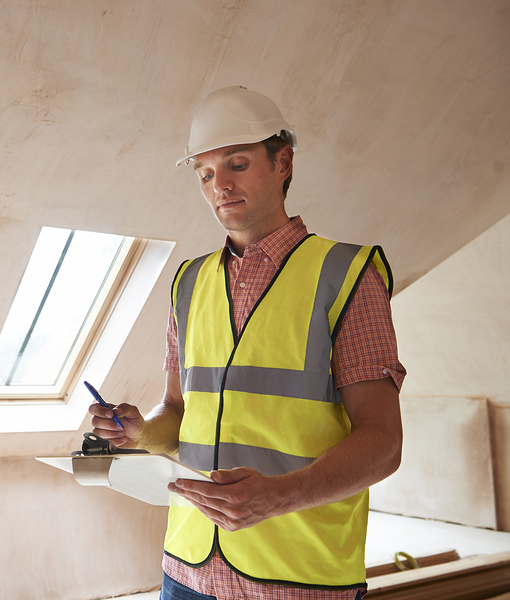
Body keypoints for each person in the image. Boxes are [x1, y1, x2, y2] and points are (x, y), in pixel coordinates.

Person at [89, 85, 405, 600]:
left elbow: (383, 444)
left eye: (237, 164)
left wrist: (280, 495)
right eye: (206, 174)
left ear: (283, 162)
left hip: (298, 577)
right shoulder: (187, 283)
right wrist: (141, 432)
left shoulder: (346, 274)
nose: (220, 186)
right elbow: (178, 412)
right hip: (186, 570)